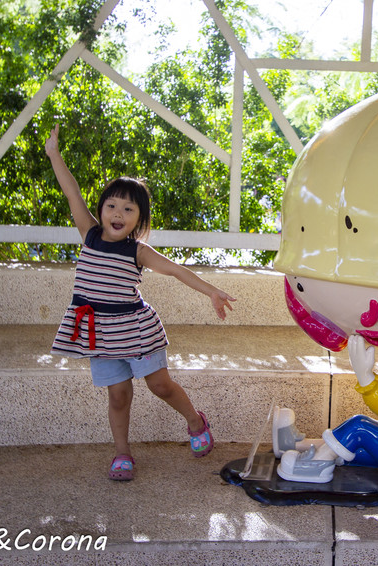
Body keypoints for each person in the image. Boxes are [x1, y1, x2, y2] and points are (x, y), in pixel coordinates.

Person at [45, 124, 236, 481]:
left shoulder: (138, 251)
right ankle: (122, 454)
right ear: (101, 209)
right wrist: (54, 154)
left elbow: (177, 271)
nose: (117, 213)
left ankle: (196, 422)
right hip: (99, 333)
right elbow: (71, 192)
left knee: (159, 385)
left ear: (139, 219)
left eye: (128, 209)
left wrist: (210, 290)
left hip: (135, 330)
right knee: (118, 395)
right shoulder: (88, 234)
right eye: (111, 205)